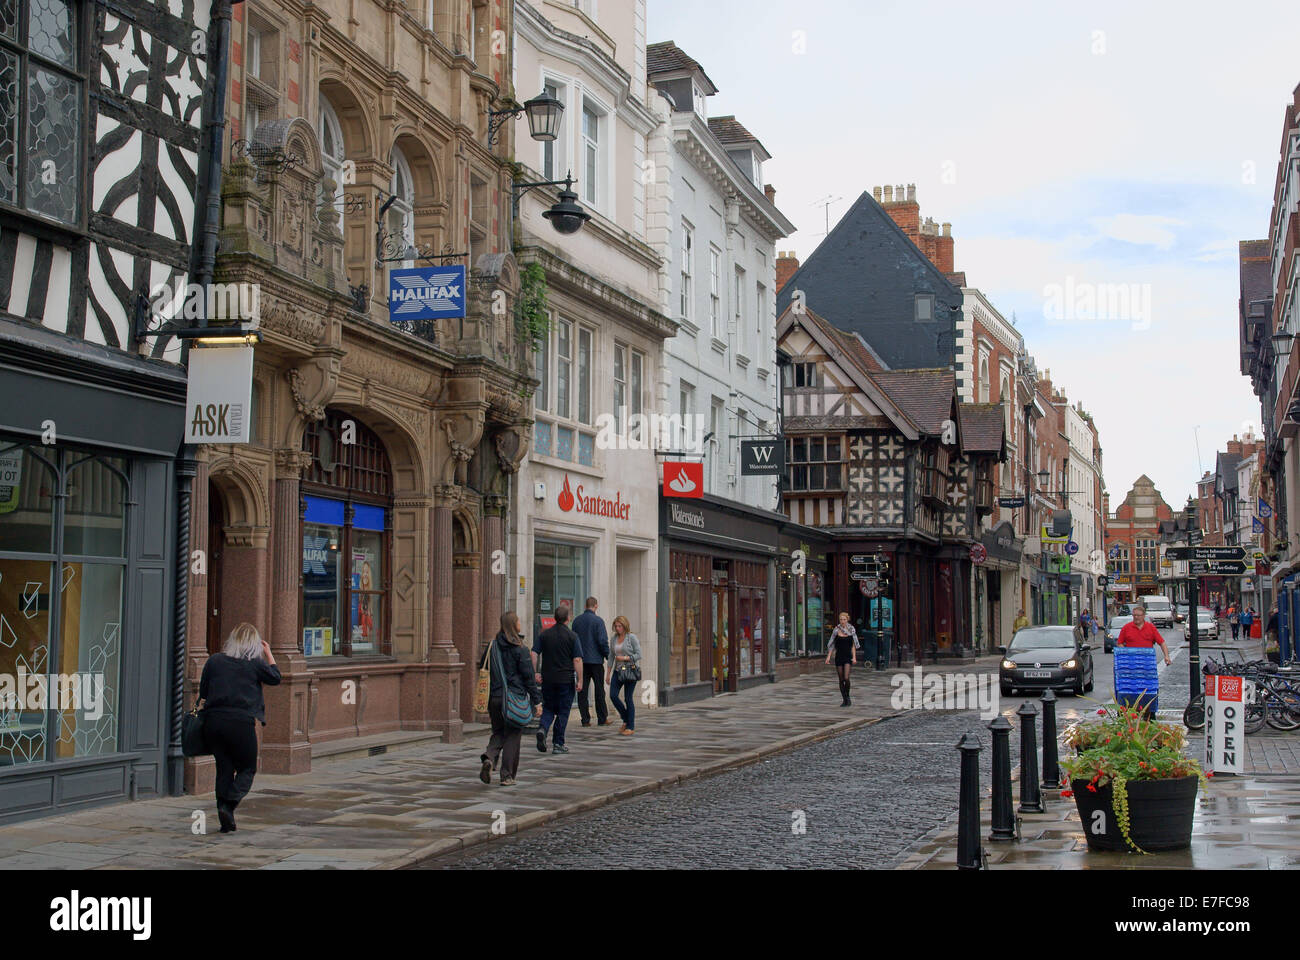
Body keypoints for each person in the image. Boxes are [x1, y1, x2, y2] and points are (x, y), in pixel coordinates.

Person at [198, 622, 281, 833]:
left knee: (224, 769)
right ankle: (229, 804)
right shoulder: (254, 663)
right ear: (254, 645)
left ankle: (225, 817)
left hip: (213, 722)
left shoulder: (215, 660)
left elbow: (204, 691)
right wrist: (268, 652)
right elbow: (275, 678)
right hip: (240, 723)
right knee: (247, 768)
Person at [480, 611, 543, 786]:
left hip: (495, 698)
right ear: (513, 625)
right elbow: (529, 677)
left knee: (498, 732)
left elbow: (482, 667)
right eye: (518, 621)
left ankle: (490, 758)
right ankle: (507, 775)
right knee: (513, 734)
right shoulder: (520, 649)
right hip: (514, 699)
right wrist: (537, 701)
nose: (520, 623)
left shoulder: (492, 646)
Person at [532, 604, 583, 755]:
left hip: (548, 678)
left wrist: (535, 672)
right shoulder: (572, 636)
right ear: (568, 618)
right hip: (565, 679)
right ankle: (558, 743)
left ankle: (542, 728)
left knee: (548, 708)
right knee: (563, 711)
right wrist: (580, 679)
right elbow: (577, 660)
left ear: (555, 618)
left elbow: (534, 653)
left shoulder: (544, 635)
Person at [1115, 603, 1171, 718]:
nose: (1136, 617)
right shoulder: (1127, 628)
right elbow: (1120, 643)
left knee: (1149, 688)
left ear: (1144, 616)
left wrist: (1166, 656)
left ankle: (1150, 711)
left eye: (1138, 615)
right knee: (1127, 687)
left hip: (1146, 665)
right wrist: (1126, 654)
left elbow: (1162, 642)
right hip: (1130, 665)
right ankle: (1125, 710)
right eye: (1134, 615)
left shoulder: (1151, 628)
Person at [571, 597, 611, 727]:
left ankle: (585, 719)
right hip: (596, 660)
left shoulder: (577, 621)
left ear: (585, 605)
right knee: (599, 690)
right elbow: (602, 641)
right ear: (596, 606)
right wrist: (607, 654)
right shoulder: (598, 621)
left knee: (582, 689)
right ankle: (602, 718)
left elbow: (573, 640)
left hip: (581, 661)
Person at [607, 615, 643, 735]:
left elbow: (639, 654)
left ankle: (630, 727)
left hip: (629, 671)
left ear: (624, 626)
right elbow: (611, 656)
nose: (618, 628)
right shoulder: (614, 639)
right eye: (616, 626)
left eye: (620, 626)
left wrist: (625, 658)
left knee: (628, 698)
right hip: (618, 671)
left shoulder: (631, 637)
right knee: (613, 695)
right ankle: (626, 719)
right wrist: (607, 673)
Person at [824, 612, 859, 706]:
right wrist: (828, 657)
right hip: (839, 656)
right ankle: (844, 699)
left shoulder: (851, 630)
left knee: (846, 678)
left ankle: (848, 696)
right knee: (841, 679)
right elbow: (832, 645)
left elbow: (853, 645)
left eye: (844, 619)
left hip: (848, 656)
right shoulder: (836, 630)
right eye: (841, 620)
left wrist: (854, 657)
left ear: (847, 620)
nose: (842, 621)